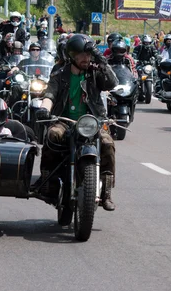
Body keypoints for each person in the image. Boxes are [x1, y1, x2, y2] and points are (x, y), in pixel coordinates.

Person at [35, 34, 119, 211]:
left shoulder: (95, 73)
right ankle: (47, 180)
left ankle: (106, 193)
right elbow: (50, 95)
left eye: (88, 54)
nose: (86, 58)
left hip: (92, 122)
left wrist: (101, 59)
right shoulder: (60, 75)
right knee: (52, 135)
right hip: (64, 121)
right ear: (72, 55)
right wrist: (44, 109)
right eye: (82, 55)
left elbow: (112, 82)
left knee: (107, 143)